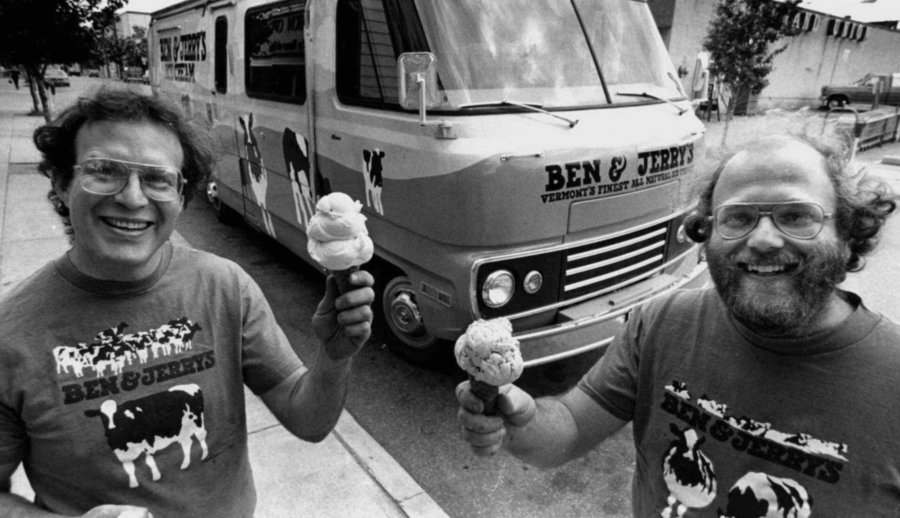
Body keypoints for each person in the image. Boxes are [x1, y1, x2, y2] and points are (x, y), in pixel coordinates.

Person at [457, 131, 900, 515]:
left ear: (847, 231)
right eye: (738, 218)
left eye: (797, 216)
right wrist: (520, 422)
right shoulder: (662, 323)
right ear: (708, 233)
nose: (763, 239)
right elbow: (571, 428)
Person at [0, 88, 375, 518]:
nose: (133, 198)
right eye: (104, 170)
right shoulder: (11, 335)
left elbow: (308, 421)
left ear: (181, 198)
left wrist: (334, 357)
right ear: (62, 183)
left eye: (158, 179)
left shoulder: (225, 287)